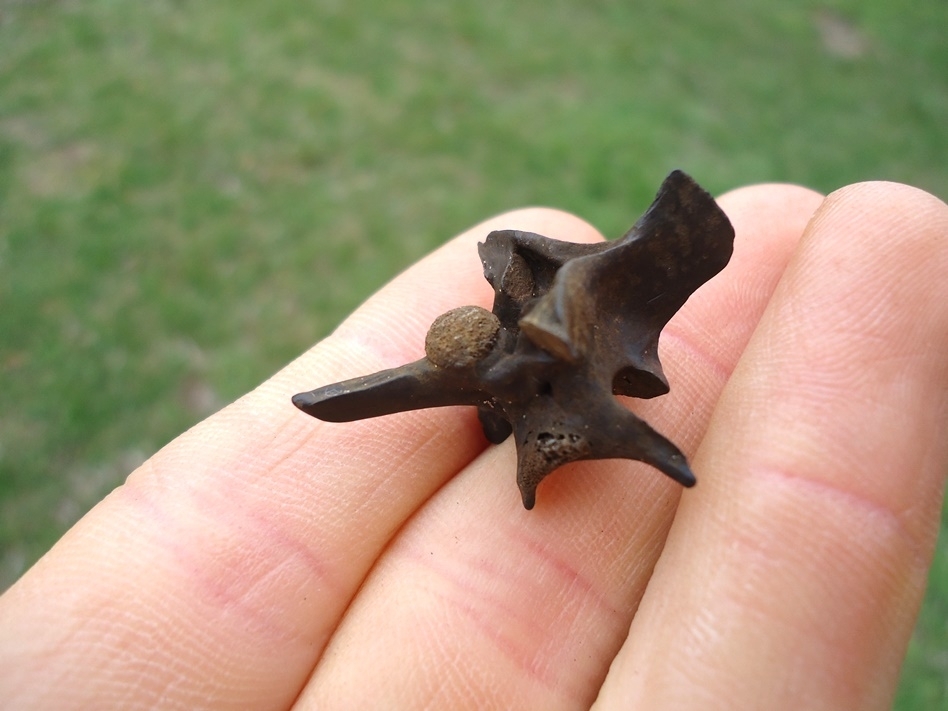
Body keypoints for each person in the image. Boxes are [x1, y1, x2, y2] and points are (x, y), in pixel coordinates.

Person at [0, 180, 945, 710]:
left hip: (574, 362)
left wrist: (621, 430)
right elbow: (368, 393)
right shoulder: (504, 336)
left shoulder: (551, 311)